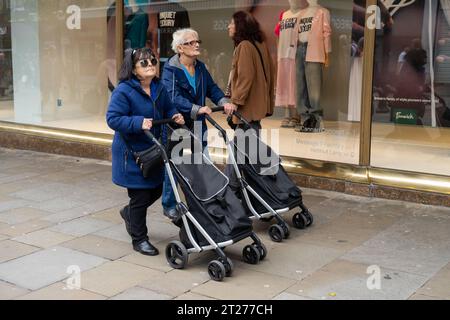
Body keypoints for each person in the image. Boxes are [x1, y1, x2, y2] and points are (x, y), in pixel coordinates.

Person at [106, 47, 185, 256]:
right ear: (133, 69)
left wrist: (175, 115)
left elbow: (168, 108)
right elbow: (112, 119)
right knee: (140, 196)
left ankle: (129, 213)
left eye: (153, 61)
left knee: (157, 189)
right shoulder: (123, 90)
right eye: (144, 63)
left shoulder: (159, 87)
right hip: (131, 153)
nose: (150, 64)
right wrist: (138, 122)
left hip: (152, 149)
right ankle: (139, 239)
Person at [160, 28, 236, 219]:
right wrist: (196, 108)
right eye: (191, 42)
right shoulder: (171, 70)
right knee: (176, 165)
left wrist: (224, 102)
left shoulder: (200, 67)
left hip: (198, 125)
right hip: (177, 126)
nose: (196, 45)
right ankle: (169, 204)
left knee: (204, 161)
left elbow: (212, 88)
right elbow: (172, 97)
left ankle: (207, 198)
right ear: (180, 48)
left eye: (197, 41)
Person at [227, 10, 275, 133]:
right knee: (252, 144)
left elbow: (245, 76)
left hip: (248, 108)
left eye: (232, 23)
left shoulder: (244, 46)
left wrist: (236, 101)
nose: (229, 26)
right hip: (258, 104)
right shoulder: (260, 44)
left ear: (240, 26)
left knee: (244, 146)